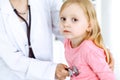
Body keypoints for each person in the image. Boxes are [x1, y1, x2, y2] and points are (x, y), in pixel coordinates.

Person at [0, 0, 69, 80]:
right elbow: (13, 60)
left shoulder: (48, 2)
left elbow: (68, 26)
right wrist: (51, 70)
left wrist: (81, 49)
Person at [59, 0, 115, 80]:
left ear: (89, 26)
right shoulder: (67, 42)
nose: (66, 24)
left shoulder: (89, 49)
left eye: (74, 20)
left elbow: (108, 76)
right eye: (63, 19)